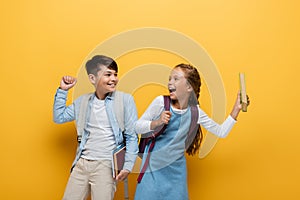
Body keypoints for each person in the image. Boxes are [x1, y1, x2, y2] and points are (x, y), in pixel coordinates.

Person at [134, 63, 249, 200]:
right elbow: (137, 126)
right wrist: (156, 122)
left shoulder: (196, 112)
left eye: (176, 79)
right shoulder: (160, 102)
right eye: (170, 78)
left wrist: (236, 109)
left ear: (189, 87)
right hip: (152, 170)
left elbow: (221, 132)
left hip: (176, 173)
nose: (170, 82)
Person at [53, 55, 138, 200]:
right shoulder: (82, 102)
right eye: (108, 74)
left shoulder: (125, 100)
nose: (113, 78)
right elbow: (59, 117)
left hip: (106, 165)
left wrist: (128, 165)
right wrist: (63, 90)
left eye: (115, 74)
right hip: (82, 163)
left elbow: (131, 136)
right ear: (92, 79)